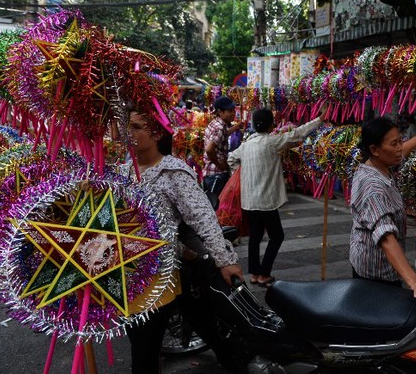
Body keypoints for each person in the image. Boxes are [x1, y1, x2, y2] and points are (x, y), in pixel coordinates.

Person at [124, 109, 244, 374]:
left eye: (136, 127)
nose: (129, 133)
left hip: (171, 274)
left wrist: (225, 261)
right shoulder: (121, 172)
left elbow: (203, 217)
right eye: (127, 126)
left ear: (156, 134)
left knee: (210, 333)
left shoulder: (173, 171)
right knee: (143, 348)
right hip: (133, 276)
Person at [350, 113, 416, 301]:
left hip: (382, 267)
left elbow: (405, 150)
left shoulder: (381, 164)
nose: (400, 148)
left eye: (400, 141)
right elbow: (385, 237)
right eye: (394, 144)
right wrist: (414, 281)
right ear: (374, 149)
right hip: (374, 275)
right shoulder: (372, 186)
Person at [227, 108, 324, 287]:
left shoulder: (247, 144)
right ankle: (264, 274)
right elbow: (297, 134)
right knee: (277, 236)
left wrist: (241, 175)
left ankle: (255, 273)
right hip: (266, 201)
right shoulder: (272, 142)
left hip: (249, 200)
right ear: (271, 124)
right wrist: (319, 120)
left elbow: (231, 158)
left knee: (255, 237)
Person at [203, 96, 242, 210]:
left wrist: (236, 127)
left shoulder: (216, 123)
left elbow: (222, 136)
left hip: (210, 174)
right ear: (220, 112)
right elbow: (209, 149)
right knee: (218, 208)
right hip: (216, 175)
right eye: (230, 111)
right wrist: (219, 164)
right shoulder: (220, 128)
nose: (233, 113)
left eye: (233, 110)